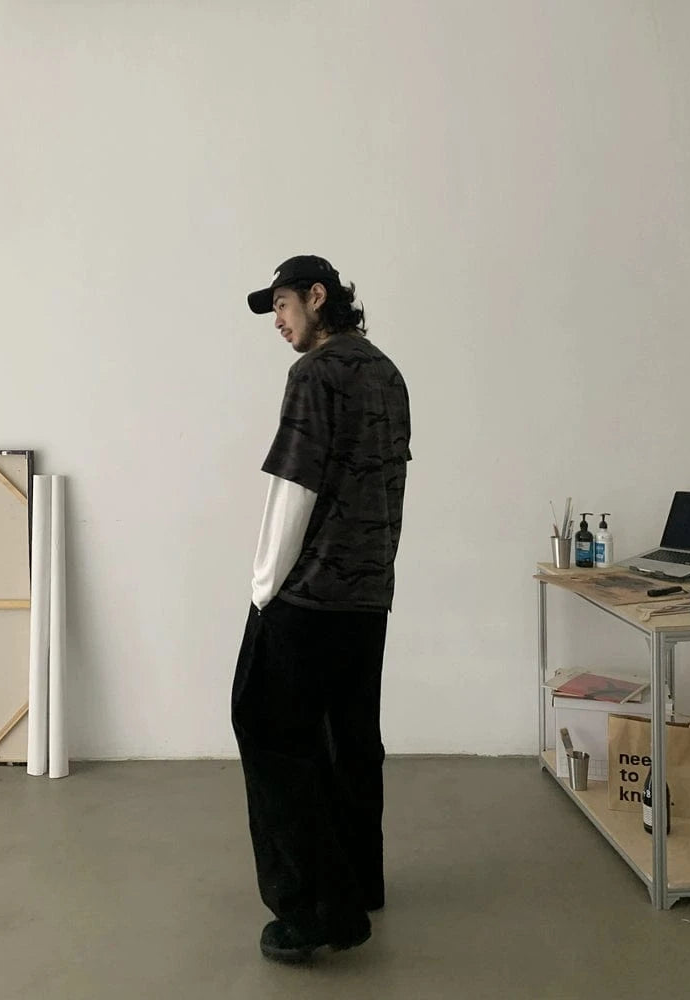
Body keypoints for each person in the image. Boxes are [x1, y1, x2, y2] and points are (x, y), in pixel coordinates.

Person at [231, 254, 411, 964]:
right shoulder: (387, 373)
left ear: (317, 296)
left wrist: (264, 587)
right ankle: (360, 880)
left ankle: (314, 910)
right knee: (350, 739)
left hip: (309, 595)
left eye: (282, 305)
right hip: (368, 596)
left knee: (268, 730)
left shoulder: (315, 373)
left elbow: (295, 487)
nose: (277, 322)